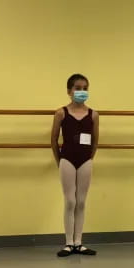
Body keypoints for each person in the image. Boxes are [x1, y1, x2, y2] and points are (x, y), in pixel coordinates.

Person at [51, 74, 99, 257]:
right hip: (67, 160)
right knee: (70, 200)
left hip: (85, 160)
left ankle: (79, 242)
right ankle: (68, 243)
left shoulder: (93, 114)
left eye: (85, 88)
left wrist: (89, 158)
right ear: (69, 91)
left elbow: (95, 141)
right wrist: (59, 160)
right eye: (78, 88)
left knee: (81, 201)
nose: (82, 91)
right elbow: (54, 139)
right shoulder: (61, 113)